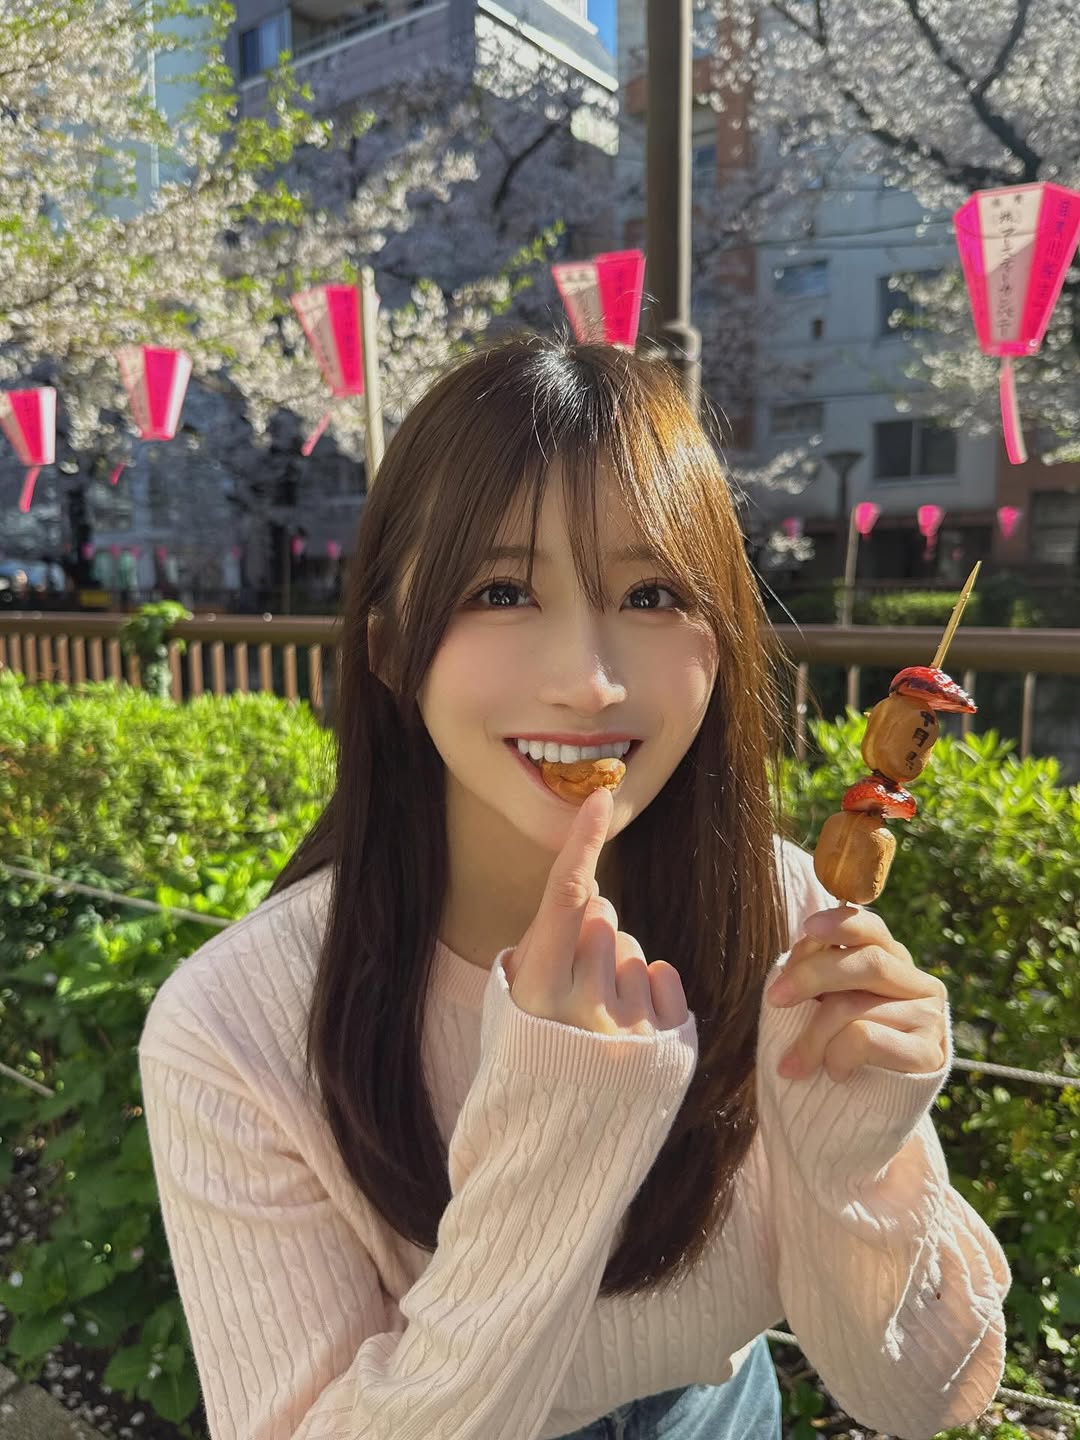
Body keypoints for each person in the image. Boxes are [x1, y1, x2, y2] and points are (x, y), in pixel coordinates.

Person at [138, 337, 1010, 1440]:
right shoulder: (235, 1029)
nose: (590, 682)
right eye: (502, 590)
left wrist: (850, 1157)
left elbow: (917, 1399)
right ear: (391, 648)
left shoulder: (794, 927)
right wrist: (560, 1119)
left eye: (652, 592)